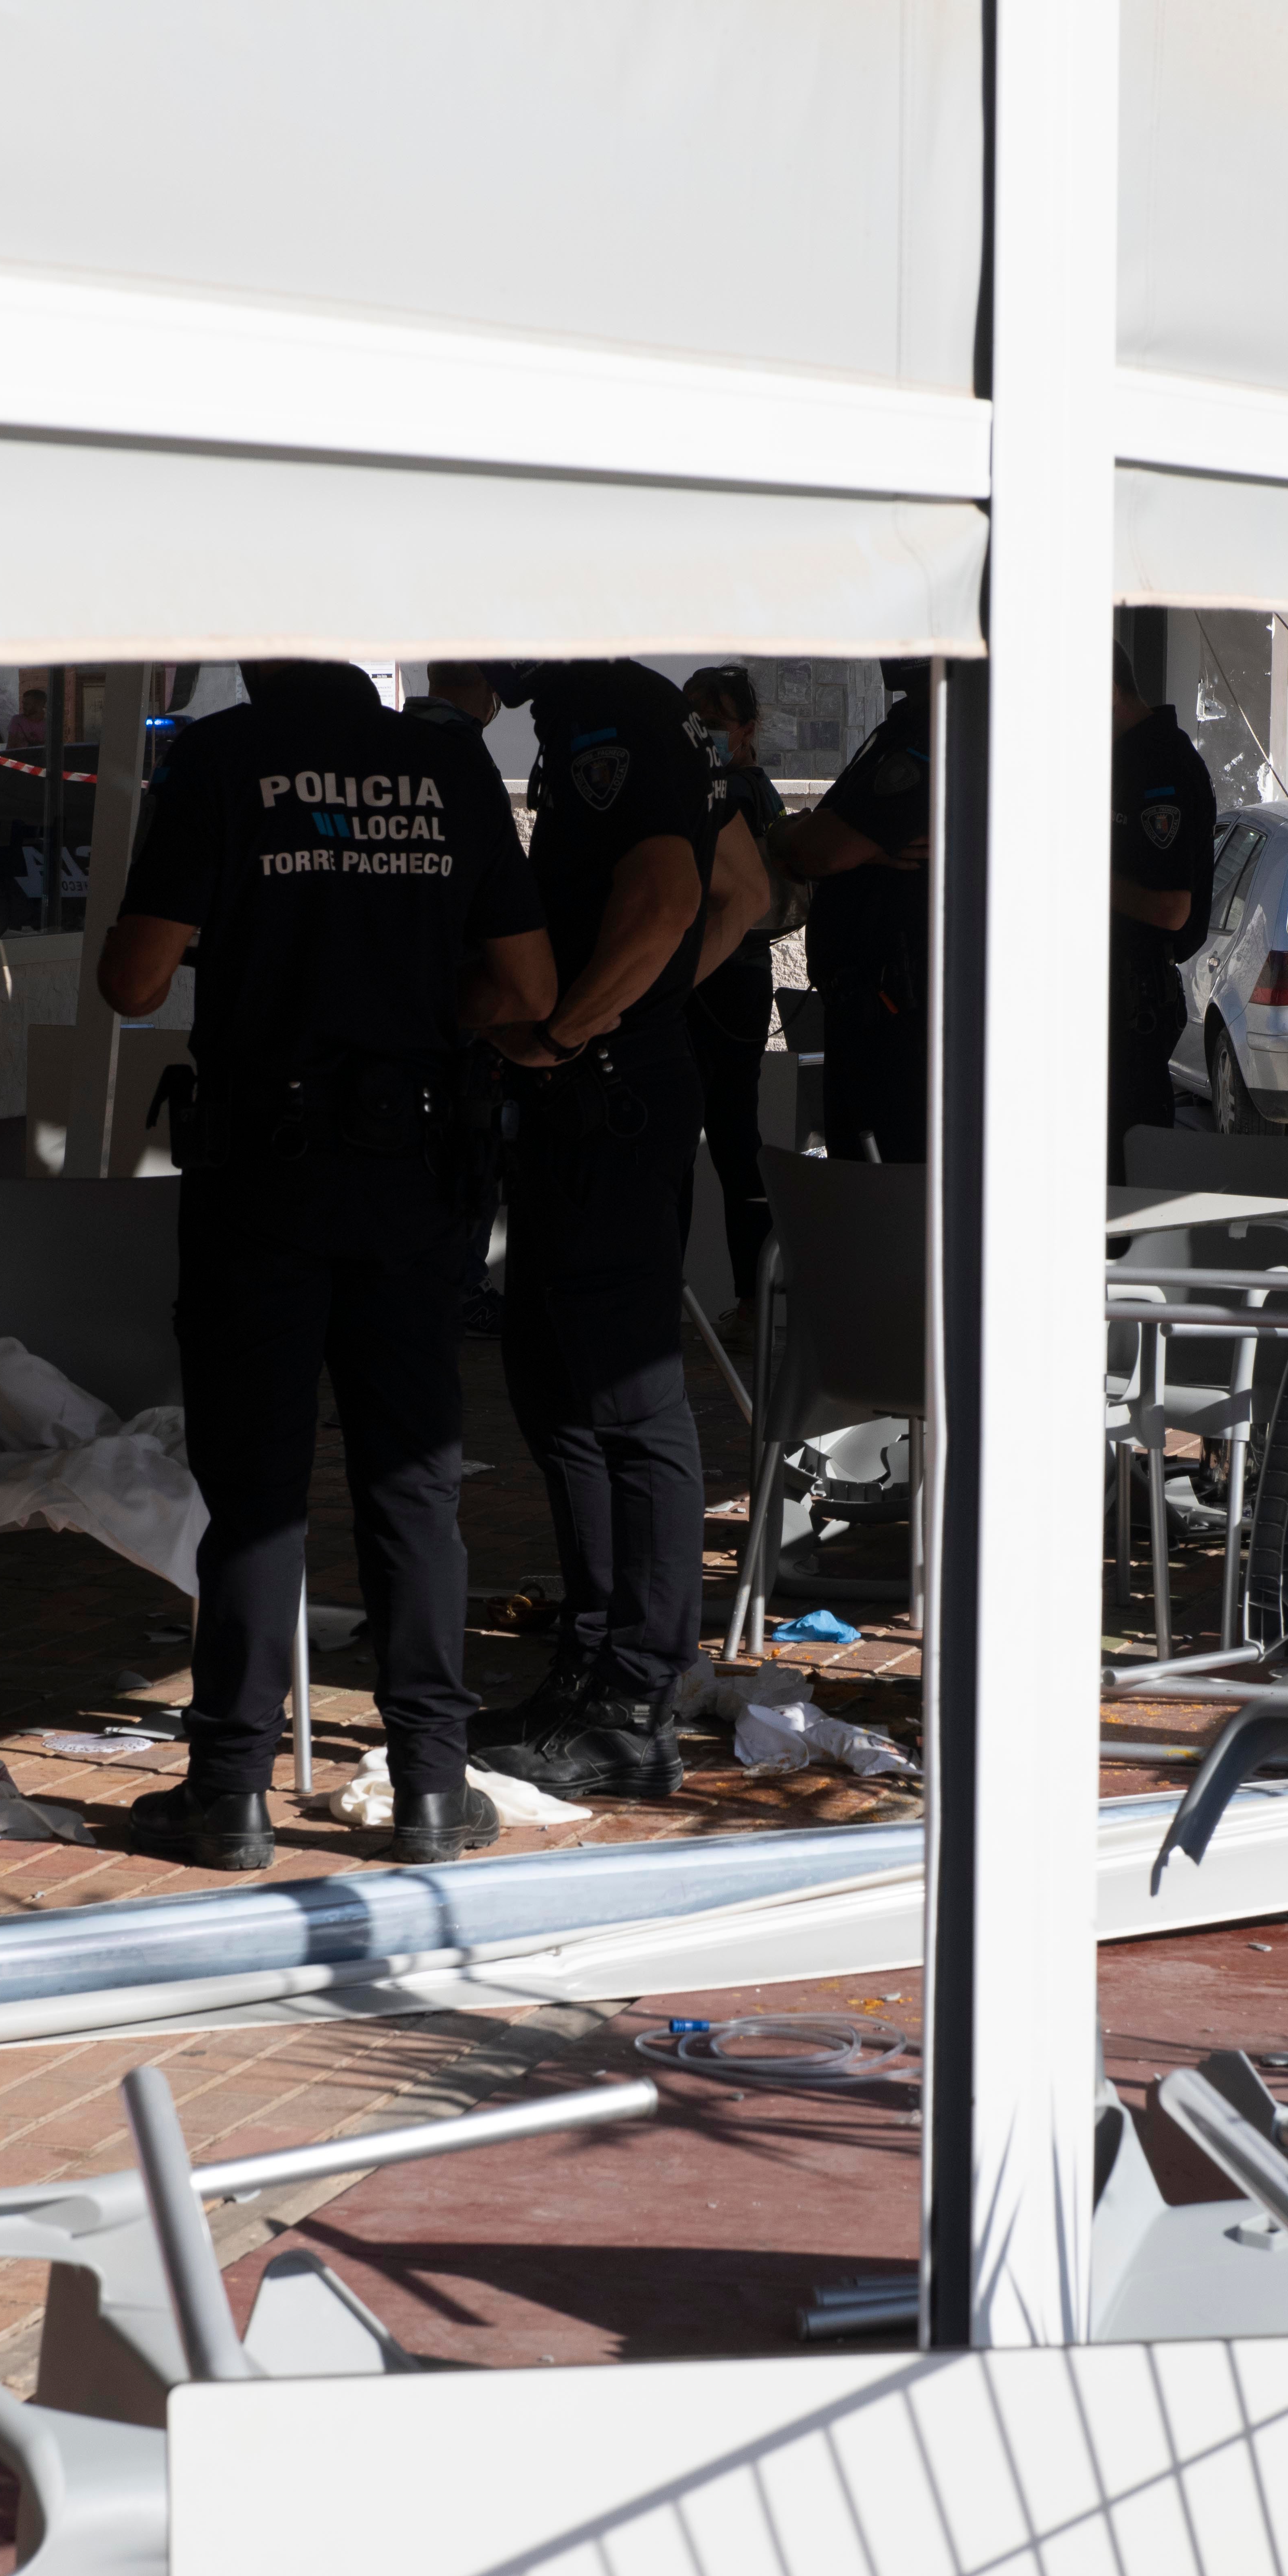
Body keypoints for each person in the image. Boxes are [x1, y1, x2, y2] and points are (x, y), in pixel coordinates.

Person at [94, 658, 555, 1873]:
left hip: (264, 1163)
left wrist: (265, 951)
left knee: (256, 1486)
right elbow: (528, 985)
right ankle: (430, 1788)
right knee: (414, 1479)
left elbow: (133, 978)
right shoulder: (450, 759)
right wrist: (400, 993)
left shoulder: (219, 758)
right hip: (412, 1156)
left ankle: (231, 1790)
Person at [466, 657, 765, 1802]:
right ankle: (591, 1676)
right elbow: (742, 889)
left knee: (624, 1399)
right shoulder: (629, 713)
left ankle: (634, 1696)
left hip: (600, 1091)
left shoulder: (617, 713)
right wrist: (633, 1017)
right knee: (560, 1385)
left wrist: (578, 1031)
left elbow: (677, 898)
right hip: (611, 1082)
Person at [768, 661, 931, 1165]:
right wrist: (801, 836)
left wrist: (795, 837)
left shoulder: (942, 732)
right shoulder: (900, 727)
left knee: (886, 1202)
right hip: (864, 1018)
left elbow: (823, 852)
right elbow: (815, 842)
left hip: (901, 1027)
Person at [407, 665, 513, 1336]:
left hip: (386, 999)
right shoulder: (466, 758)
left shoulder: (387, 743)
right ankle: (459, 1290)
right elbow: (495, 897)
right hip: (456, 998)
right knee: (468, 1150)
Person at [678, 667, 785, 1316]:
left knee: (705, 1144)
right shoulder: (755, 789)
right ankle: (752, 1301)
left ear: (746, 730)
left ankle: (726, 1301)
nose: (703, 735)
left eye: (714, 723)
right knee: (732, 1143)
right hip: (741, 980)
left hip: (718, 981)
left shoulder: (733, 793)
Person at [1108, 639, 1217, 1177]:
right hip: (1114, 1005)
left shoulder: (1158, 764)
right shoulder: (1122, 759)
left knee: (1123, 1175)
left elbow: (1173, 909)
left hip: (1131, 1007)